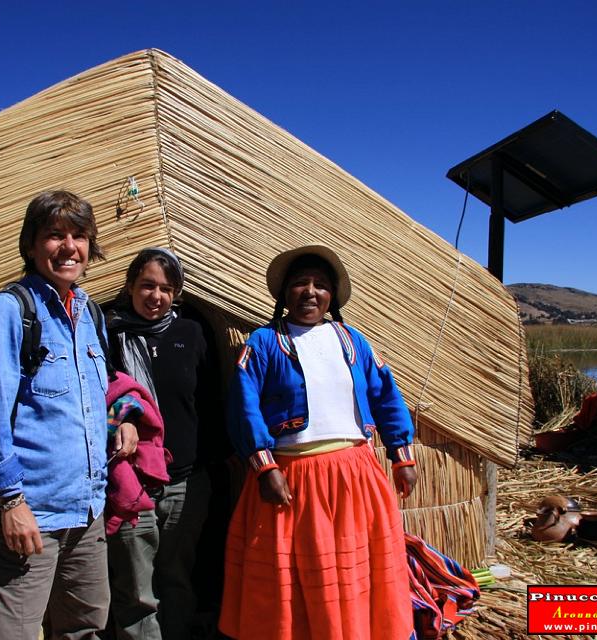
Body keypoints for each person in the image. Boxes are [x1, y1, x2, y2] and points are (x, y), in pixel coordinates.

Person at [0, 190, 137, 640]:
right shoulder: (8, 312)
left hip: (86, 512)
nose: (68, 247)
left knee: (86, 629)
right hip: (30, 514)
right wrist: (11, 503)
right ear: (32, 245)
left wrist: (123, 418)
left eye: (79, 236)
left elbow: (98, 392)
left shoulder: (91, 313)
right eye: (54, 235)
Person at [220, 245, 418, 640]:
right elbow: (243, 406)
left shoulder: (354, 342)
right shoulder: (262, 344)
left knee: (356, 568)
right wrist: (264, 467)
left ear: (332, 296)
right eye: (300, 284)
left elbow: (385, 395)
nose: (310, 292)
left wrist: (402, 455)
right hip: (291, 478)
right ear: (284, 294)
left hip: (354, 476)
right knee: (290, 577)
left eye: (321, 285)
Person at [105, 248, 222, 640]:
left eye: (166, 289)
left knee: (176, 578)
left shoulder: (191, 332)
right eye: (147, 286)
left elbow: (208, 398)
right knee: (136, 589)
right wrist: (123, 418)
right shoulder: (110, 334)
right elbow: (96, 395)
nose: (156, 296)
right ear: (130, 287)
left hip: (186, 482)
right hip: (129, 480)